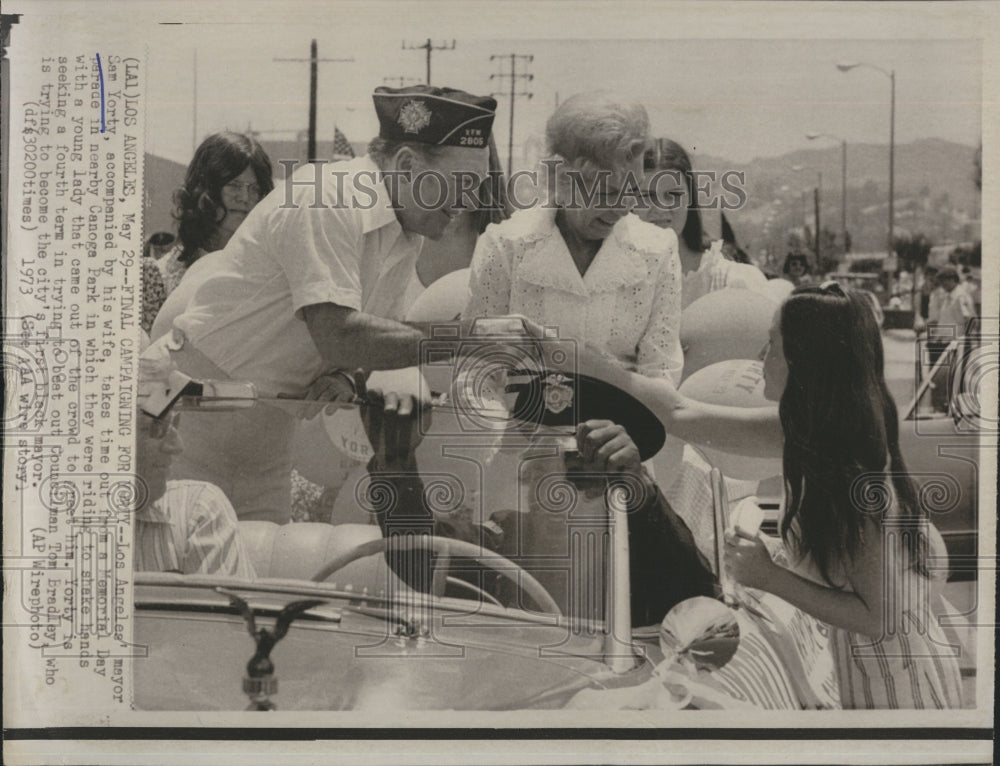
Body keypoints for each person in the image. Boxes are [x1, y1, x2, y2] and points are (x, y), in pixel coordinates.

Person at [158, 85, 496, 522]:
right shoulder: (330, 194)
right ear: (409, 165)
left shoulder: (405, 226)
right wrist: (474, 339)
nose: (471, 202)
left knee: (256, 585)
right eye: (464, 183)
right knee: (177, 582)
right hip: (186, 423)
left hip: (266, 439)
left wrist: (346, 378)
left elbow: (367, 343)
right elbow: (342, 336)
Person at [723, 283, 962, 709]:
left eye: (773, 344)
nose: (761, 356)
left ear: (805, 363)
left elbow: (877, 617)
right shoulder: (839, 442)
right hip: (899, 673)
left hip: (895, 692)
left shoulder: (846, 473)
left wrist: (769, 576)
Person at [465, 92, 682, 383]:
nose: (624, 208)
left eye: (633, 190)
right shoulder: (505, 245)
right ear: (559, 179)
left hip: (626, 425)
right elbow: (479, 370)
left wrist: (628, 427)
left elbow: (662, 371)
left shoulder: (658, 250)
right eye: (607, 193)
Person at [136, 338, 256, 578]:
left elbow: (225, 615)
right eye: (157, 428)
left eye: (175, 423)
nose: (177, 446)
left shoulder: (197, 511)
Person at [140, 132, 274, 331]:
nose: (245, 197)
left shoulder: (268, 273)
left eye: (255, 189)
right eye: (234, 186)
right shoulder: (154, 277)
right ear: (204, 189)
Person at [636, 139, 766, 309]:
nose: (660, 206)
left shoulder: (731, 280)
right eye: (646, 196)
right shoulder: (613, 278)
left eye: (673, 194)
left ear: (690, 198)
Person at [926, 265, 977, 412]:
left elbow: (970, 319)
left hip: (958, 344)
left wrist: (966, 340)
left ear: (952, 280)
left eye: (944, 281)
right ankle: (947, 405)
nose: (942, 285)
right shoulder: (947, 298)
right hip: (946, 342)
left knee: (955, 376)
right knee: (944, 376)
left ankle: (957, 407)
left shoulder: (960, 297)